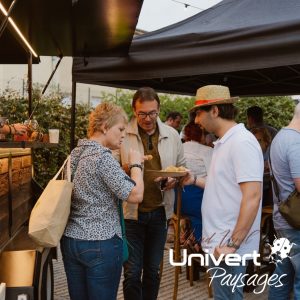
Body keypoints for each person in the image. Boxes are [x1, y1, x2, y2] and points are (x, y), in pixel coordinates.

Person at [183, 85, 264, 300]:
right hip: (219, 240)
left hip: (228, 243)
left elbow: (253, 196)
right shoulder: (225, 142)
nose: (196, 121)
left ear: (215, 111)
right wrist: (194, 179)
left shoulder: (241, 142)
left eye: (198, 113)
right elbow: (223, 185)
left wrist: (233, 244)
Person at [60, 102, 144, 300]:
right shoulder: (102, 158)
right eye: (120, 129)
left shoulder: (75, 154)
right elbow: (135, 195)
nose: (124, 134)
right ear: (105, 127)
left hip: (71, 240)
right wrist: (136, 165)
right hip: (101, 242)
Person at [119, 87, 185, 300]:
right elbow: (109, 168)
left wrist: (174, 180)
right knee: (131, 272)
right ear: (133, 110)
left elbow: (182, 168)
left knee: (153, 272)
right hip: (131, 213)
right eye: (142, 114)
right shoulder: (122, 133)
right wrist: (131, 166)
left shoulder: (172, 135)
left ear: (159, 110)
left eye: (152, 113)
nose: (148, 119)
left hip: (160, 212)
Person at [268, 102, 300, 300]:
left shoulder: (280, 137)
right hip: (295, 221)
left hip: (283, 218)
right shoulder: (295, 143)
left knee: (283, 274)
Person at [175, 121, 212, 251]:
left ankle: (189, 237)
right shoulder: (208, 151)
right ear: (202, 135)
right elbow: (214, 178)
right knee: (212, 211)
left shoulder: (178, 148)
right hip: (197, 202)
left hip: (176, 202)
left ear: (185, 135)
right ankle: (201, 243)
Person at [251, 127, 273, 206]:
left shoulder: (272, 152)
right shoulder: (251, 153)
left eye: (259, 140)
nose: (256, 143)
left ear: (266, 142)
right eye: (253, 141)